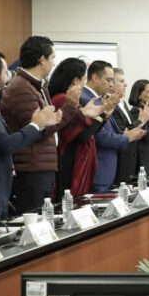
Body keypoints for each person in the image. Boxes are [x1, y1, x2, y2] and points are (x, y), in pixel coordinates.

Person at [0, 49, 60, 219]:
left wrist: (41, 125)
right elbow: (5, 144)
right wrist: (35, 125)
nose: (8, 76)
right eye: (6, 71)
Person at [1, 36, 83, 213]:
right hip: (31, 168)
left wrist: (78, 111)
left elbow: (52, 125)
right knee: (33, 220)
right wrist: (70, 107)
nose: (54, 63)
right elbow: (39, 129)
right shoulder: (22, 88)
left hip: (42, 165)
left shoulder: (37, 86)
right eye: (52, 58)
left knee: (44, 219)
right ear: (42, 59)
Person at [48, 58, 111, 197]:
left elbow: (90, 131)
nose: (84, 84)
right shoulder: (63, 99)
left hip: (73, 158)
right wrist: (100, 116)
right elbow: (82, 135)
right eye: (83, 80)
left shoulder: (67, 99)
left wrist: (102, 116)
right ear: (75, 81)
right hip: (69, 160)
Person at [83, 60, 144, 193]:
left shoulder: (100, 99)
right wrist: (127, 138)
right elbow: (99, 136)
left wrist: (126, 135)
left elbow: (112, 130)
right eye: (109, 80)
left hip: (108, 170)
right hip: (98, 170)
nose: (111, 85)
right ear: (95, 78)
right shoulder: (86, 99)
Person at [112, 68, 143, 185]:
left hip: (131, 157)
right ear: (111, 84)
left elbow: (129, 128)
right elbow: (122, 132)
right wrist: (141, 120)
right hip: (120, 160)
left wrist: (139, 132)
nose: (126, 84)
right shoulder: (110, 105)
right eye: (121, 81)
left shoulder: (122, 103)